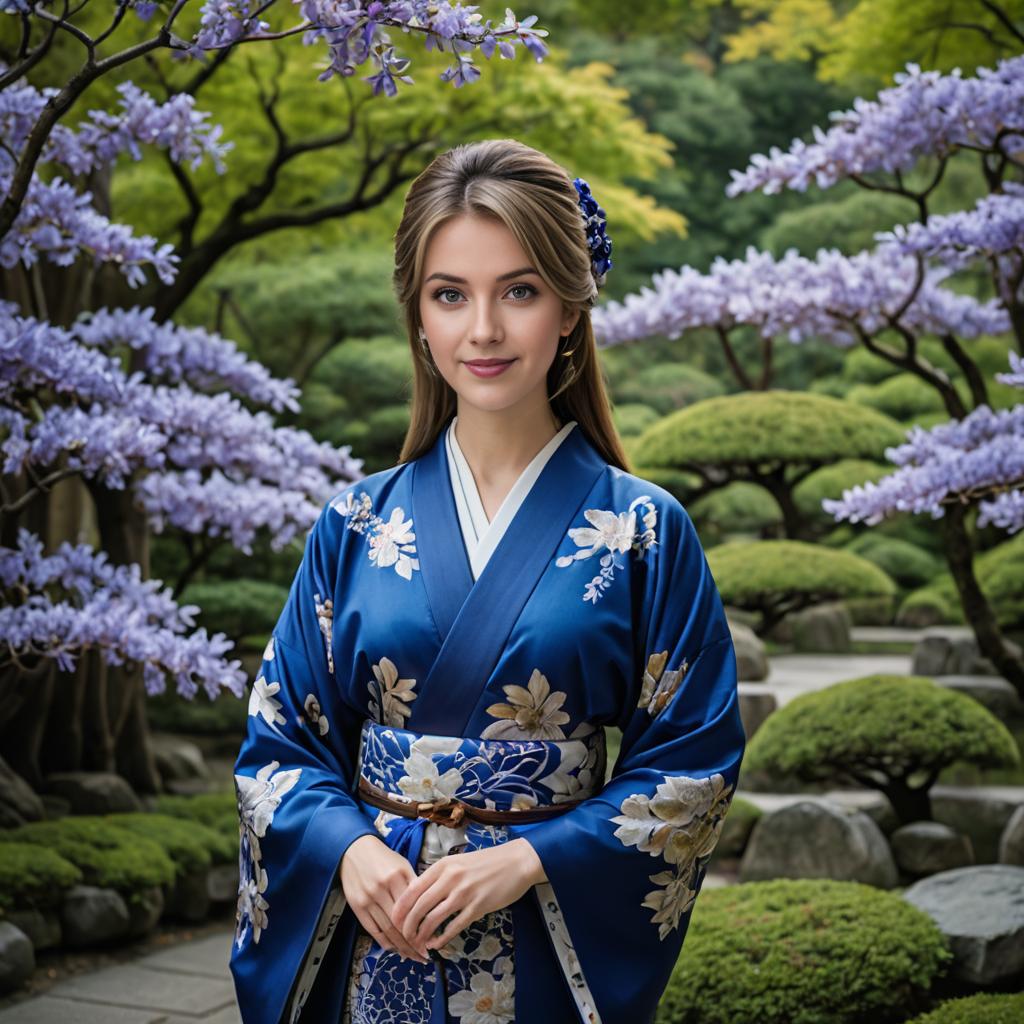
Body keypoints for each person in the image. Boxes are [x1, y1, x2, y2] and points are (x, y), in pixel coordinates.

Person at [228, 137, 746, 1024]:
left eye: (520, 291)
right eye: (449, 295)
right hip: (375, 927)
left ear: (571, 308)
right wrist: (349, 852)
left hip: (546, 935)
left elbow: (693, 758)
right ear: (419, 318)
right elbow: (282, 744)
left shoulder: (644, 531)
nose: (484, 331)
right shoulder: (352, 525)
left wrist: (535, 856)